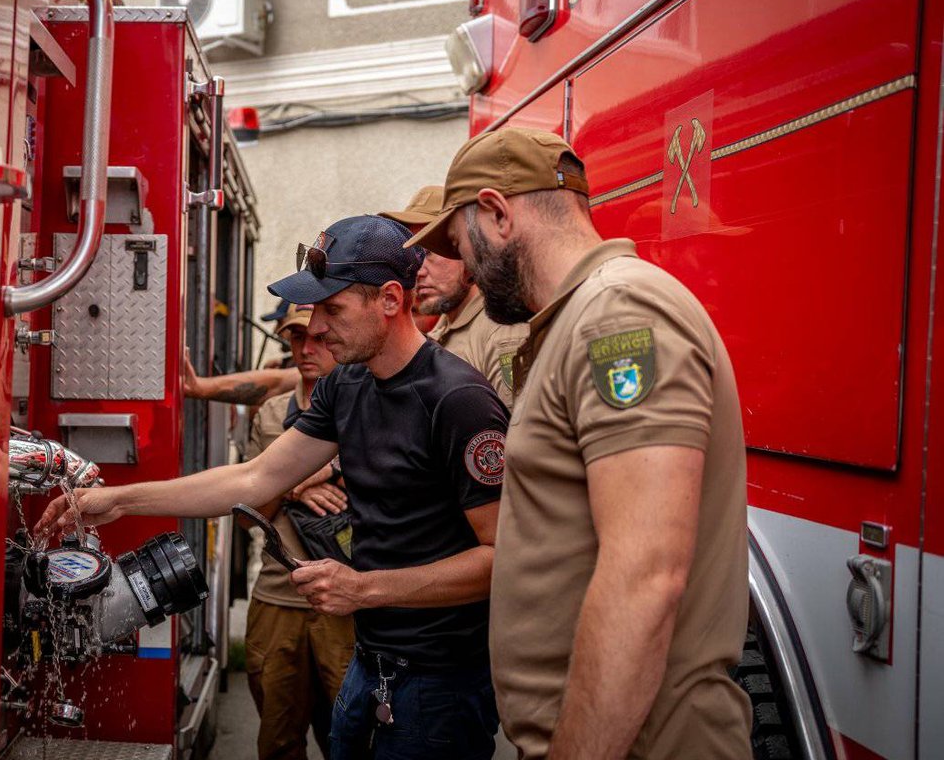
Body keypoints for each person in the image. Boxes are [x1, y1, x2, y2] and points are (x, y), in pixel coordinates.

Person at [39, 214, 506, 759]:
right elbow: (253, 477)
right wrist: (118, 500)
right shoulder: (348, 385)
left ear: (390, 298)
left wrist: (364, 588)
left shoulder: (458, 400)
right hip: (370, 664)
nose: (319, 329)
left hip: (440, 684)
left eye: (333, 309)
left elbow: (501, 559)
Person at [408, 127, 753, 760]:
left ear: (496, 212)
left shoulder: (618, 315)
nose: (472, 272)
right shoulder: (582, 318)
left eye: (462, 245)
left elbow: (644, 576)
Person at [243, 302, 355, 760]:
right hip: (278, 594)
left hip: (346, 596)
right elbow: (250, 509)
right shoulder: (271, 416)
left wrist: (322, 469)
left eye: (318, 338)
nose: (308, 350)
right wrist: (295, 484)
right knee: (277, 737)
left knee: (350, 737)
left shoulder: (364, 405)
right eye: (296, 339)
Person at [382, 186, 528, 408]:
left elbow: (514, 431)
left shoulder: (500, 332)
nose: (417, 271)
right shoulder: (441, 329)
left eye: (429, 254)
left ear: (463, 248)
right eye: (411, 257)